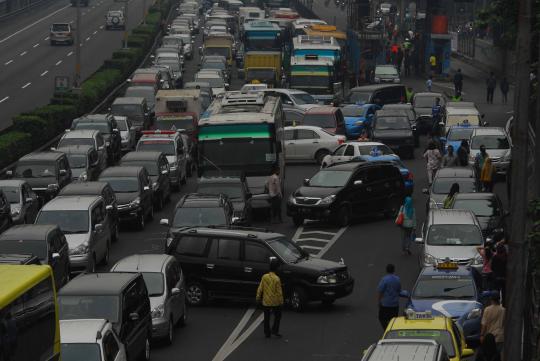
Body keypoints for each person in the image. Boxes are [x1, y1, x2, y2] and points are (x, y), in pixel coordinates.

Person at [256, 258, 284, 338]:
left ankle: (267, 333)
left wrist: (258, 297)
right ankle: (274, 330)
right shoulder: (277, 279)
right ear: (276, 268)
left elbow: (260, 287)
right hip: (275, 302)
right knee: (278, 315)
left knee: (267, 317)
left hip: (266, 301)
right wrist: (281, 301)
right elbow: (279, 292)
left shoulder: (264, 277)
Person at [377, 264, 401, 330]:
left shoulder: (384, 280)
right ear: (394, 270)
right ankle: (392, 331)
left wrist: (379, 301)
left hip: (385, 305)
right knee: (393, 320)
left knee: (382, 319)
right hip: (395, 305)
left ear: (386, 270)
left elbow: (380, 291)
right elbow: (399, 290)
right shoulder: (397, 279)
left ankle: (386, 330)